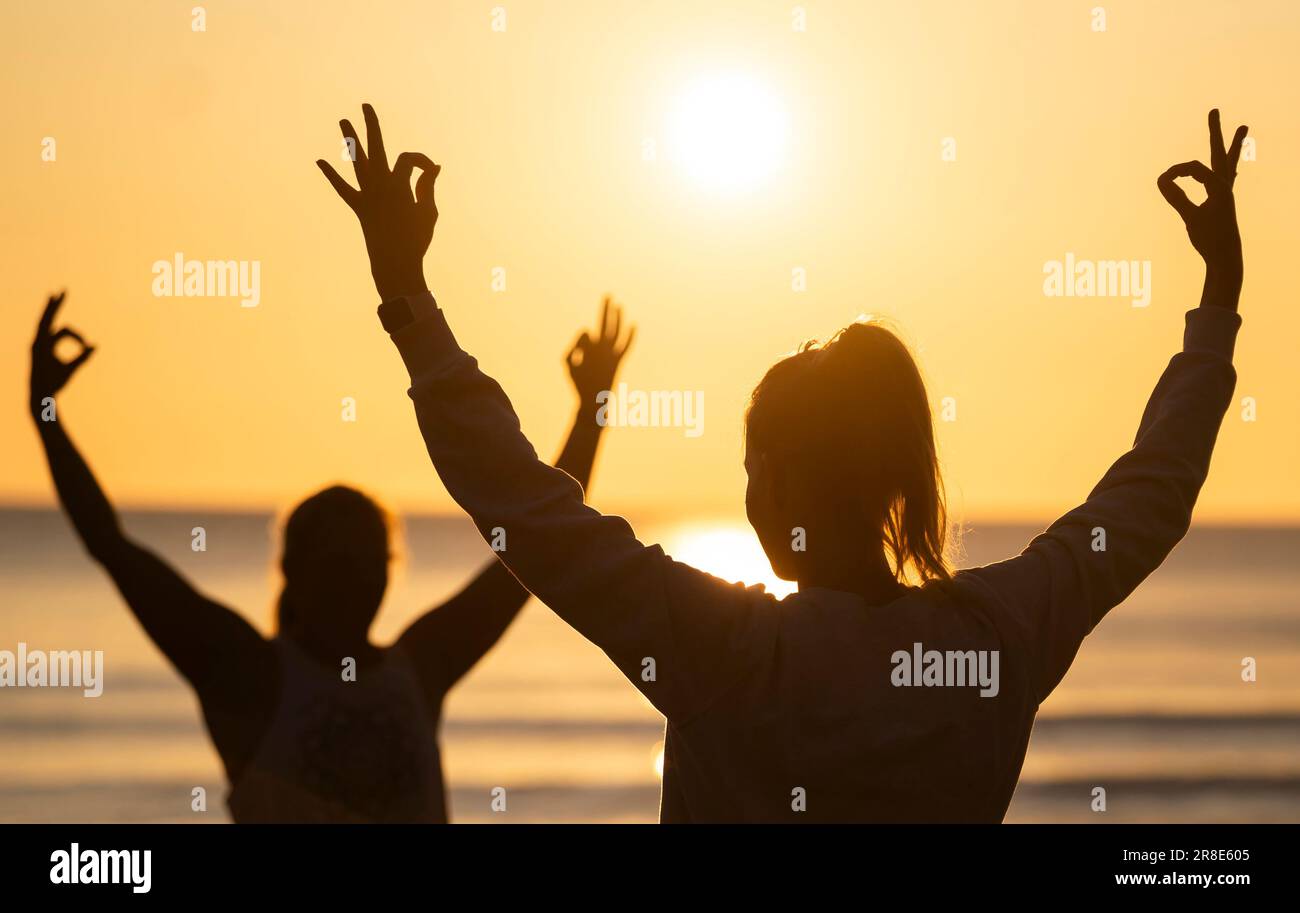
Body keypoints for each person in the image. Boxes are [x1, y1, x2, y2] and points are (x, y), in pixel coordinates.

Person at [320, 105, 1245, 822]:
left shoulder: (727, 651)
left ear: (791, 486)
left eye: (755, 469)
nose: (751, 497)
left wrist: (409, 299)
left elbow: (521, 501)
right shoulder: (994, 637)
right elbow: (1148, 498)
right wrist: (1216, 305)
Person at [28, 288, 632, 822]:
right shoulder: (248, 674)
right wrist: (48, 418)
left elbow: (538, 544)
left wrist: (594, 408)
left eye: (371, 560)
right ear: (293, 569)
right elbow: (112, 546)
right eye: (338, 563)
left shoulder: (418, 669)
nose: (357, 580)